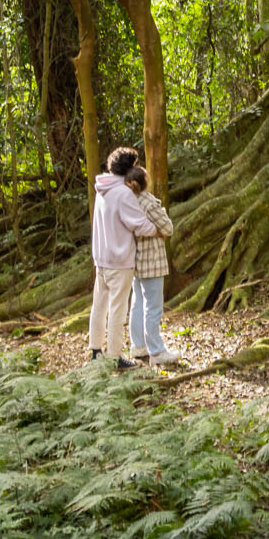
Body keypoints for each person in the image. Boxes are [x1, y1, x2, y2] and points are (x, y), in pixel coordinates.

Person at [89, 146, 157, 371]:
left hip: (101, 258)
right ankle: (115, 357)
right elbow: (138, 223)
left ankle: (96, 351)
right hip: (119, 261)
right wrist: (158, 229)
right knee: (118, 309)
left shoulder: (102, 188)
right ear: (130, 168)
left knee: (99, 306)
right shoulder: (123, 192)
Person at [124, 165, 178, 365]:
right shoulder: (148, 202)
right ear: (143, 181)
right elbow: (168, 227)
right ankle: (156, 350)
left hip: (135, 260)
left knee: (138, 303)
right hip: (152, 261)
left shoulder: (129, 202)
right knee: (153, 306)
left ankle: (138, 346)